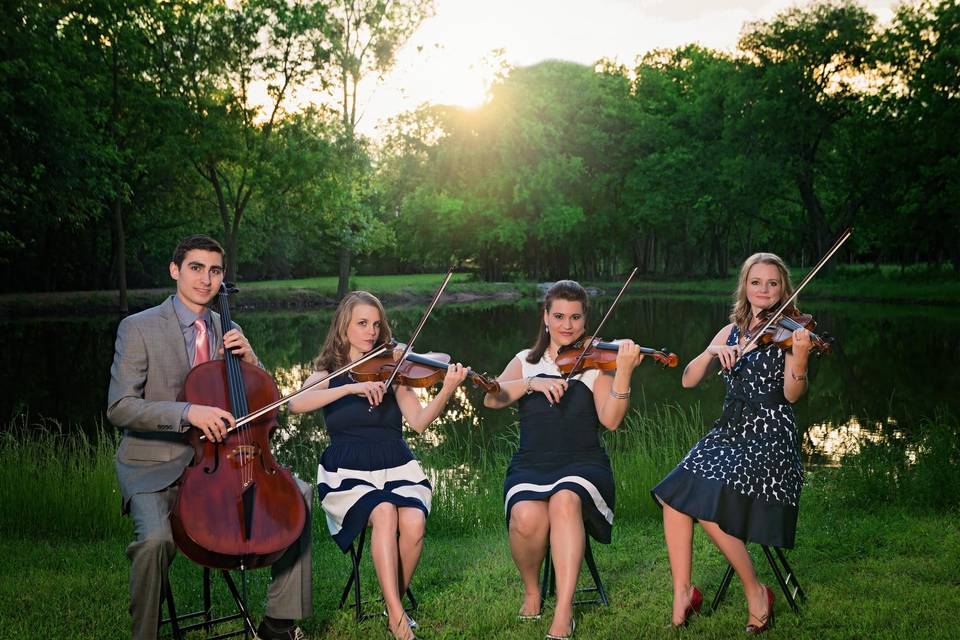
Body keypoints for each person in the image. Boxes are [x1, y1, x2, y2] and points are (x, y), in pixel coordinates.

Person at [107, 234, 312, 640]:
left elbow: (262, 402)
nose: (206, 279)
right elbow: (120, 407)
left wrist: (253, 360)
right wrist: (188, 412)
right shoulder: (138, 328)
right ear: (175, 271)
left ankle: (278, 622)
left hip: (223, 462)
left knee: (299, 496)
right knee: (153, 542)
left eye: (215, 270)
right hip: (154, 464)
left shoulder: (227, 326)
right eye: (196, 268)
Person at [287, 291, 467, 640]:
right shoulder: (328, 372)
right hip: (347, 470)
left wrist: (446, 389)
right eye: (362, 323)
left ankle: (392, 605)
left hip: (395, 463)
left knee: (413, 520)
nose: (371, 331)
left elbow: (418, 422)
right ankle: (398, 619)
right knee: (383, 510)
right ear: (344, 328)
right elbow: (296, 404)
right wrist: (349, 390)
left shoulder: (394, 369)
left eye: (376, 324)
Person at [652, 252, 812, 633]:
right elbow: (688, 380)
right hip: (730, 432)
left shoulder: (790, 335)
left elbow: (791, 395)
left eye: (772, 283)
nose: (764, 290)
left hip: (770, 438)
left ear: (783, 288)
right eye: (756, 282)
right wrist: (711, 352)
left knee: (704, 501)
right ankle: (683, 593)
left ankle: (756, 591)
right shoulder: (731, 332)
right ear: (745, 287)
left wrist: (801, 361)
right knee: (673, 497)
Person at [483, 280, 643, 640]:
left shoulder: (596, 365)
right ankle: (532, 591)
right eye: (559, 316)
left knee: (565, 499)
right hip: (531, 463)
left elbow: (612, 421)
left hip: (583, 464)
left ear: (586, 322)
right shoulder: (526, 361)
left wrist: (625, 371)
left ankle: (564, 609)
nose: (566, 325)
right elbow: (492, 400)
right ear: (545, 317)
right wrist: (532, 383)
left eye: (575, 317)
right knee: (526, 516)